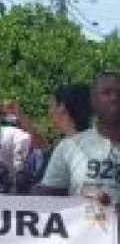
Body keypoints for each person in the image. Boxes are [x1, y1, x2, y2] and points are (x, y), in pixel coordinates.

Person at [35, 71, 120, 203]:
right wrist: (82, 200)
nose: (114, 98)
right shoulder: (68, 147)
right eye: (106, 93)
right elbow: (46, 200)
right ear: (93, 101)